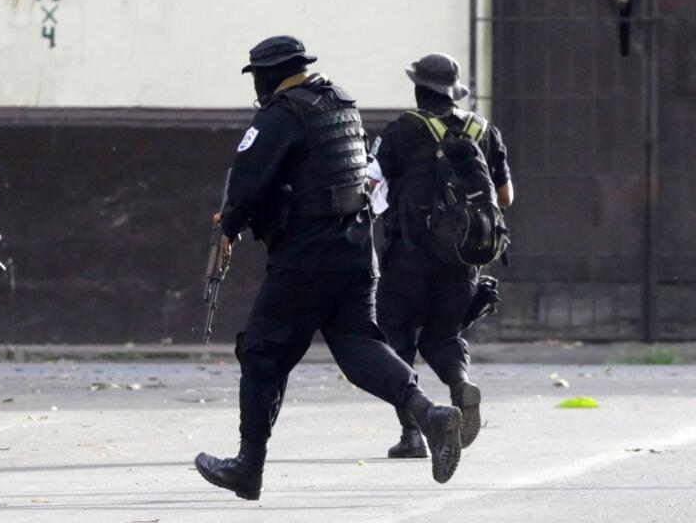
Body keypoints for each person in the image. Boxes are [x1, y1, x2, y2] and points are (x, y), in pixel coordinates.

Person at [194, 36, 464, 500]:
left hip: (306, 256)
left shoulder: (282, 114)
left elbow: (248, 178)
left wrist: (231, 227)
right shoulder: (340, 104)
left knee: (262, 353)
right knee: (359, 345)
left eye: (258, 74)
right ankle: (428, 412)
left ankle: (248, 467)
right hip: (357, 251)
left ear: (271, 73)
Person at [367, 53, 514, 459]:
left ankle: (413, 435)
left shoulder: (402, 130)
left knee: (397, 338)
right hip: (465, 257)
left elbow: (370, 180)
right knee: (445, 335)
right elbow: (505, 197)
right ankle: (460, 384)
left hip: (409, 256)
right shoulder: (484, 129)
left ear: (418, 89)